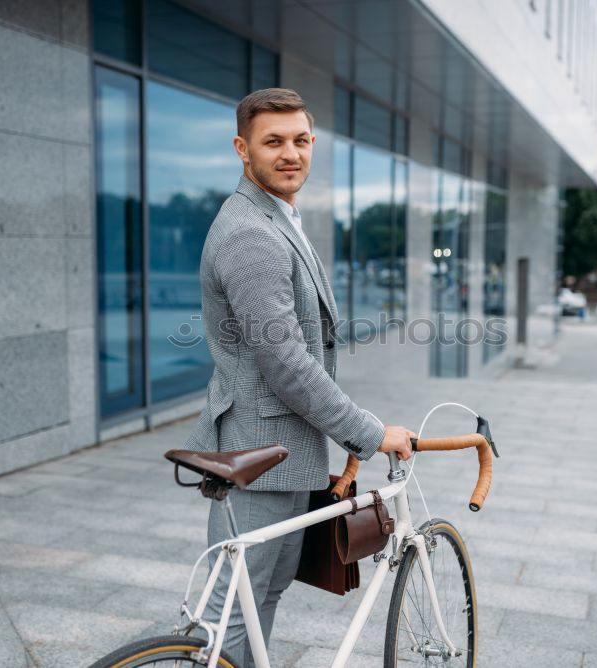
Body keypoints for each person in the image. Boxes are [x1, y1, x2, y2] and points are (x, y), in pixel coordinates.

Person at [183, 88, 415, 667]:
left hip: (282, 451)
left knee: (260, 594)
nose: (291, 153)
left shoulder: (275, 216)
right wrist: (366, 430)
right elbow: (286, 364)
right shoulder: (250, 234)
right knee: (232, 610)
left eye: (301, 140)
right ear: (243, 149)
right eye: (273, 142)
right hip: (259, 453)